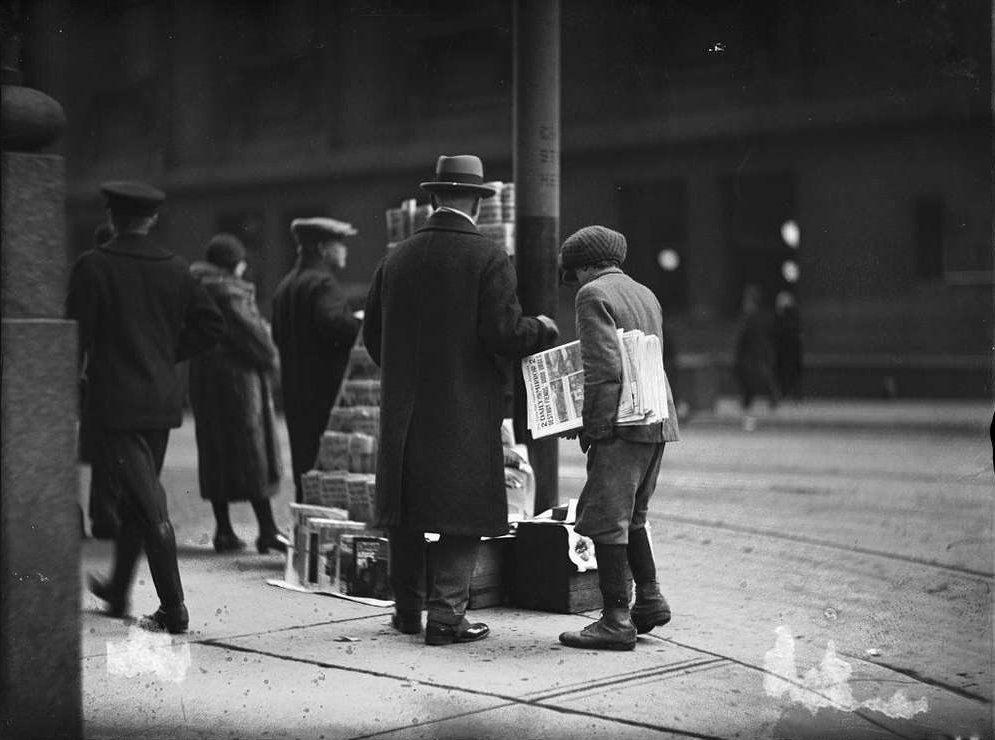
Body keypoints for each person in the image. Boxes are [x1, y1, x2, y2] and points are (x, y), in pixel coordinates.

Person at [363, 154, 558, 646]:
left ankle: (407, 612)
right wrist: (542, 329)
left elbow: (372, 338)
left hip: (405, 409)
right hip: (462, 410)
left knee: (406, 509)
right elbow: (503, 332)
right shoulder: (487, 256)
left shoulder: (397, 258)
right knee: (462, 511)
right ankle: (447, 616)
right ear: (475, 200)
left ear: (433, 197)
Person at [68, 181, 225, 634]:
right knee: (139, 497)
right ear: (151, 219)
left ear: (112, 218)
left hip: (114, 403)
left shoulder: (93, 266)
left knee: (148, 504)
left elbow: (73, 336)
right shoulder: (176, 268)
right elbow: (211, 325)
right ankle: (118, 592)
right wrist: (165, 355)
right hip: (160, 401)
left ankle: (173, 609)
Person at [555, 225, 680, 651]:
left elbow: (603, 368)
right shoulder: (645, 293)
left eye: (574, 274)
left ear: (587, 265)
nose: (575, 284)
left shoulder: (593, 295)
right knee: (634, 515)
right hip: (657, 419)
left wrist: (594, 426)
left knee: (608, 519)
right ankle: (649, 599)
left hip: (623, 423)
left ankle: (615, 619)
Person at [188, 233, 288, 555]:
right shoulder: (230, 293)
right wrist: (271, 350)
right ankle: (267, 529)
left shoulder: (197, 288)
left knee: (216, 451)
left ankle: (224, 530)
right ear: (237, 264)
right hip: (238, 384)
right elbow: (257, 341)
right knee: (253, 452)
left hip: (207, 380)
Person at [272, 217, 362, 503]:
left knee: (305, 471)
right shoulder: (323, 283)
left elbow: (277, 335)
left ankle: (305, 535)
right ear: (323, 248)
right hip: (327, 393)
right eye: (340, 244)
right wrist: (360, 325)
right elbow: (335, 324)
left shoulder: (286, 284)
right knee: (328, 472)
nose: (344, 251)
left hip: (296, 393)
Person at [82, 222, 119, 540]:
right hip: (112, 377)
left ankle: (102, 513)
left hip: (96, 375)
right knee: (111, 453)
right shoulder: (112, 275)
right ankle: (107, 515)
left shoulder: (92, 271)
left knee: (101, 452)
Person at [734, 284, 779, 430]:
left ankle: (752, 418)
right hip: (752, 359)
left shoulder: (755, 319)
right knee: (749, 390)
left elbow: (755, 342)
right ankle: (750, 418)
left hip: (753, 359)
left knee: (752, 388)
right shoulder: (751, 318)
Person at [773, 290, 803, 401]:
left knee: (788, 373)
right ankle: (792, 394)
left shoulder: (786, 315)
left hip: (787, 351)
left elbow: (780, 332)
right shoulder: (791, 315)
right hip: (790, 351)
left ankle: (791, 394)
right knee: (790, 374)